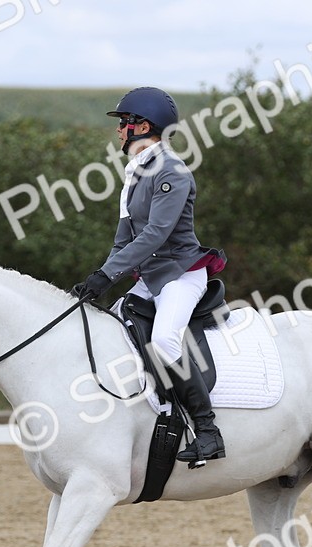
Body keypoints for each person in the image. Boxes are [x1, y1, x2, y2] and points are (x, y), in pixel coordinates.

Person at [72, 86, 226, 466]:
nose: (119, 131)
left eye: (124, 123)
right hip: (150, 279)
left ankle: (207, 432)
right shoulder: (134, 174)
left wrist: (110, 275)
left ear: (143, 126)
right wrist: (99, 278)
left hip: (181, 276)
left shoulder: (172, 170)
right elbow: (123, 239)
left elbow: (156, 233)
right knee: (112, 327)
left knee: (165, 343)